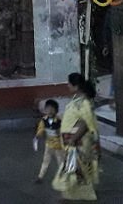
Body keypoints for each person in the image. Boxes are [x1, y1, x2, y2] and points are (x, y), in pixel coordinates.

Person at [52, 72, 100, 201]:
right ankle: (73, 194)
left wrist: (73, 139)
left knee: (78, 169)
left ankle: (83, 195)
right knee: (74, 168)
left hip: (78, 141)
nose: (67, 86)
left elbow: (85, 123)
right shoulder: (77, 100)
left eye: (69, 83)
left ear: (76, 86)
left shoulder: (83, 103)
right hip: (72, 140)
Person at [33, 98, 63, 184]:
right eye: (48, 109)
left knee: (60, 161)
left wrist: (60, 132)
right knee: (45, 160)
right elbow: (41, 128)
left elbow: (63, 130)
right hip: (49, 144)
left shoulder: (59, 120)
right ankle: (40, 176)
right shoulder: (44, 120)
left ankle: (62, 178)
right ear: (45, 110)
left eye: (52, 109)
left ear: (56, 111)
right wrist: (38, 135)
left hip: (58, 145)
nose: (49, 111)